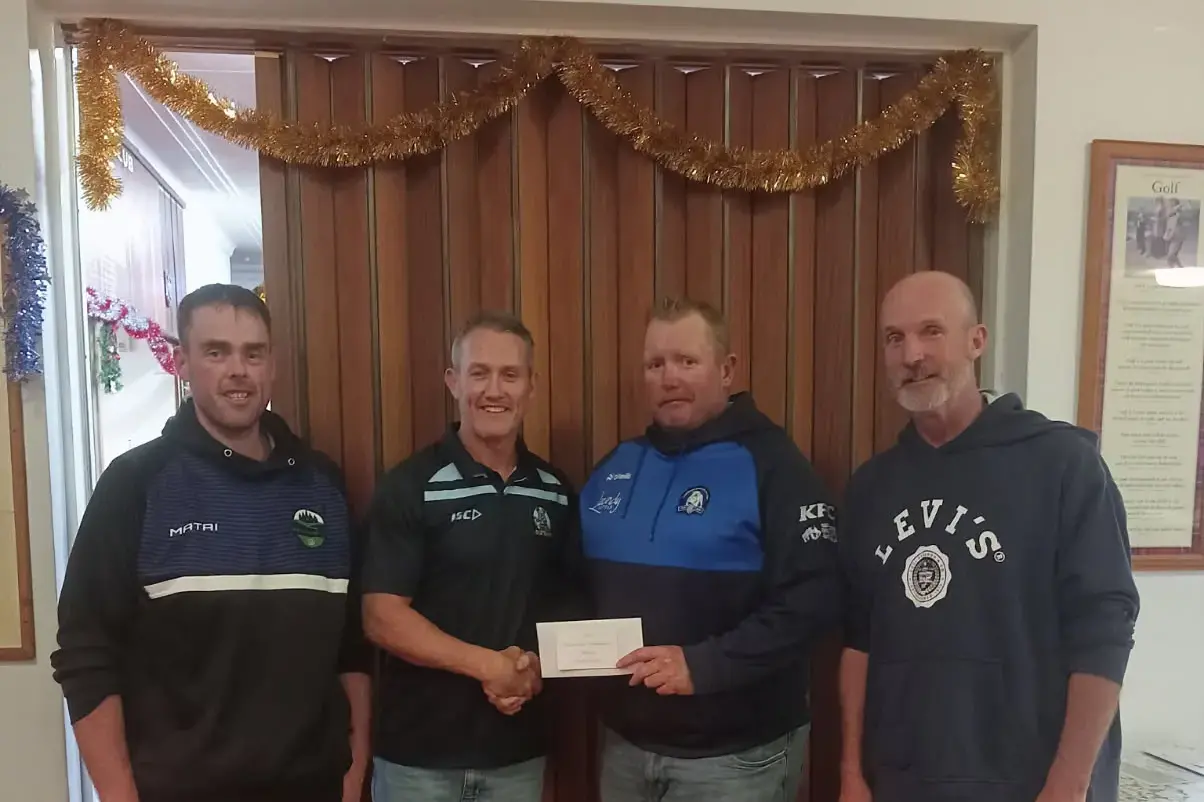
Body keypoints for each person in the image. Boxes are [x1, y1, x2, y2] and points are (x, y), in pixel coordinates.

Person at [50, 284, 371, 802]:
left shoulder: (322, 485)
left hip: (312, 786)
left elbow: (351, 648)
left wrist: (351, 777)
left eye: (253, 353)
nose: (238, 371)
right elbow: (85, 653)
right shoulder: (136, 484)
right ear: (182, 362)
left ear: (273, 365)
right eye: (216, 352)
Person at [837, 270, 1140, 802]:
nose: (912, 354)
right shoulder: (872, 488)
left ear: (977, 340)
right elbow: (859, 641)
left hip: (1029, 783)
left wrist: (1069, 786)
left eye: (932, 331)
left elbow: (1104, 633)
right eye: (894, 338)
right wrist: (851, 774)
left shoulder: (1063, 466)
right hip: (903, 782)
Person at [579, 297, 843, 802]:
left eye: (687, 361)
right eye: (655, 364)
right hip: (624, 749)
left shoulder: (774, 465)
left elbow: (814, 601)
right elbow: (573, 586)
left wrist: (704, 666)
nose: (669, 377)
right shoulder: (617, 465)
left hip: (734, 759)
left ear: (727, 370)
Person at [361, 310, 582, 802]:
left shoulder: (555, 491)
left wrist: (534, 670)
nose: (494, 391)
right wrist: (488, 666)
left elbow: (569, 605)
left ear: (531, 386)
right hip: (417, 759)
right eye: (479, 373)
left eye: (510, 375)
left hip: (517, 757)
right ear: (453, 382)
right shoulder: (410, 486)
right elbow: (382, 617)